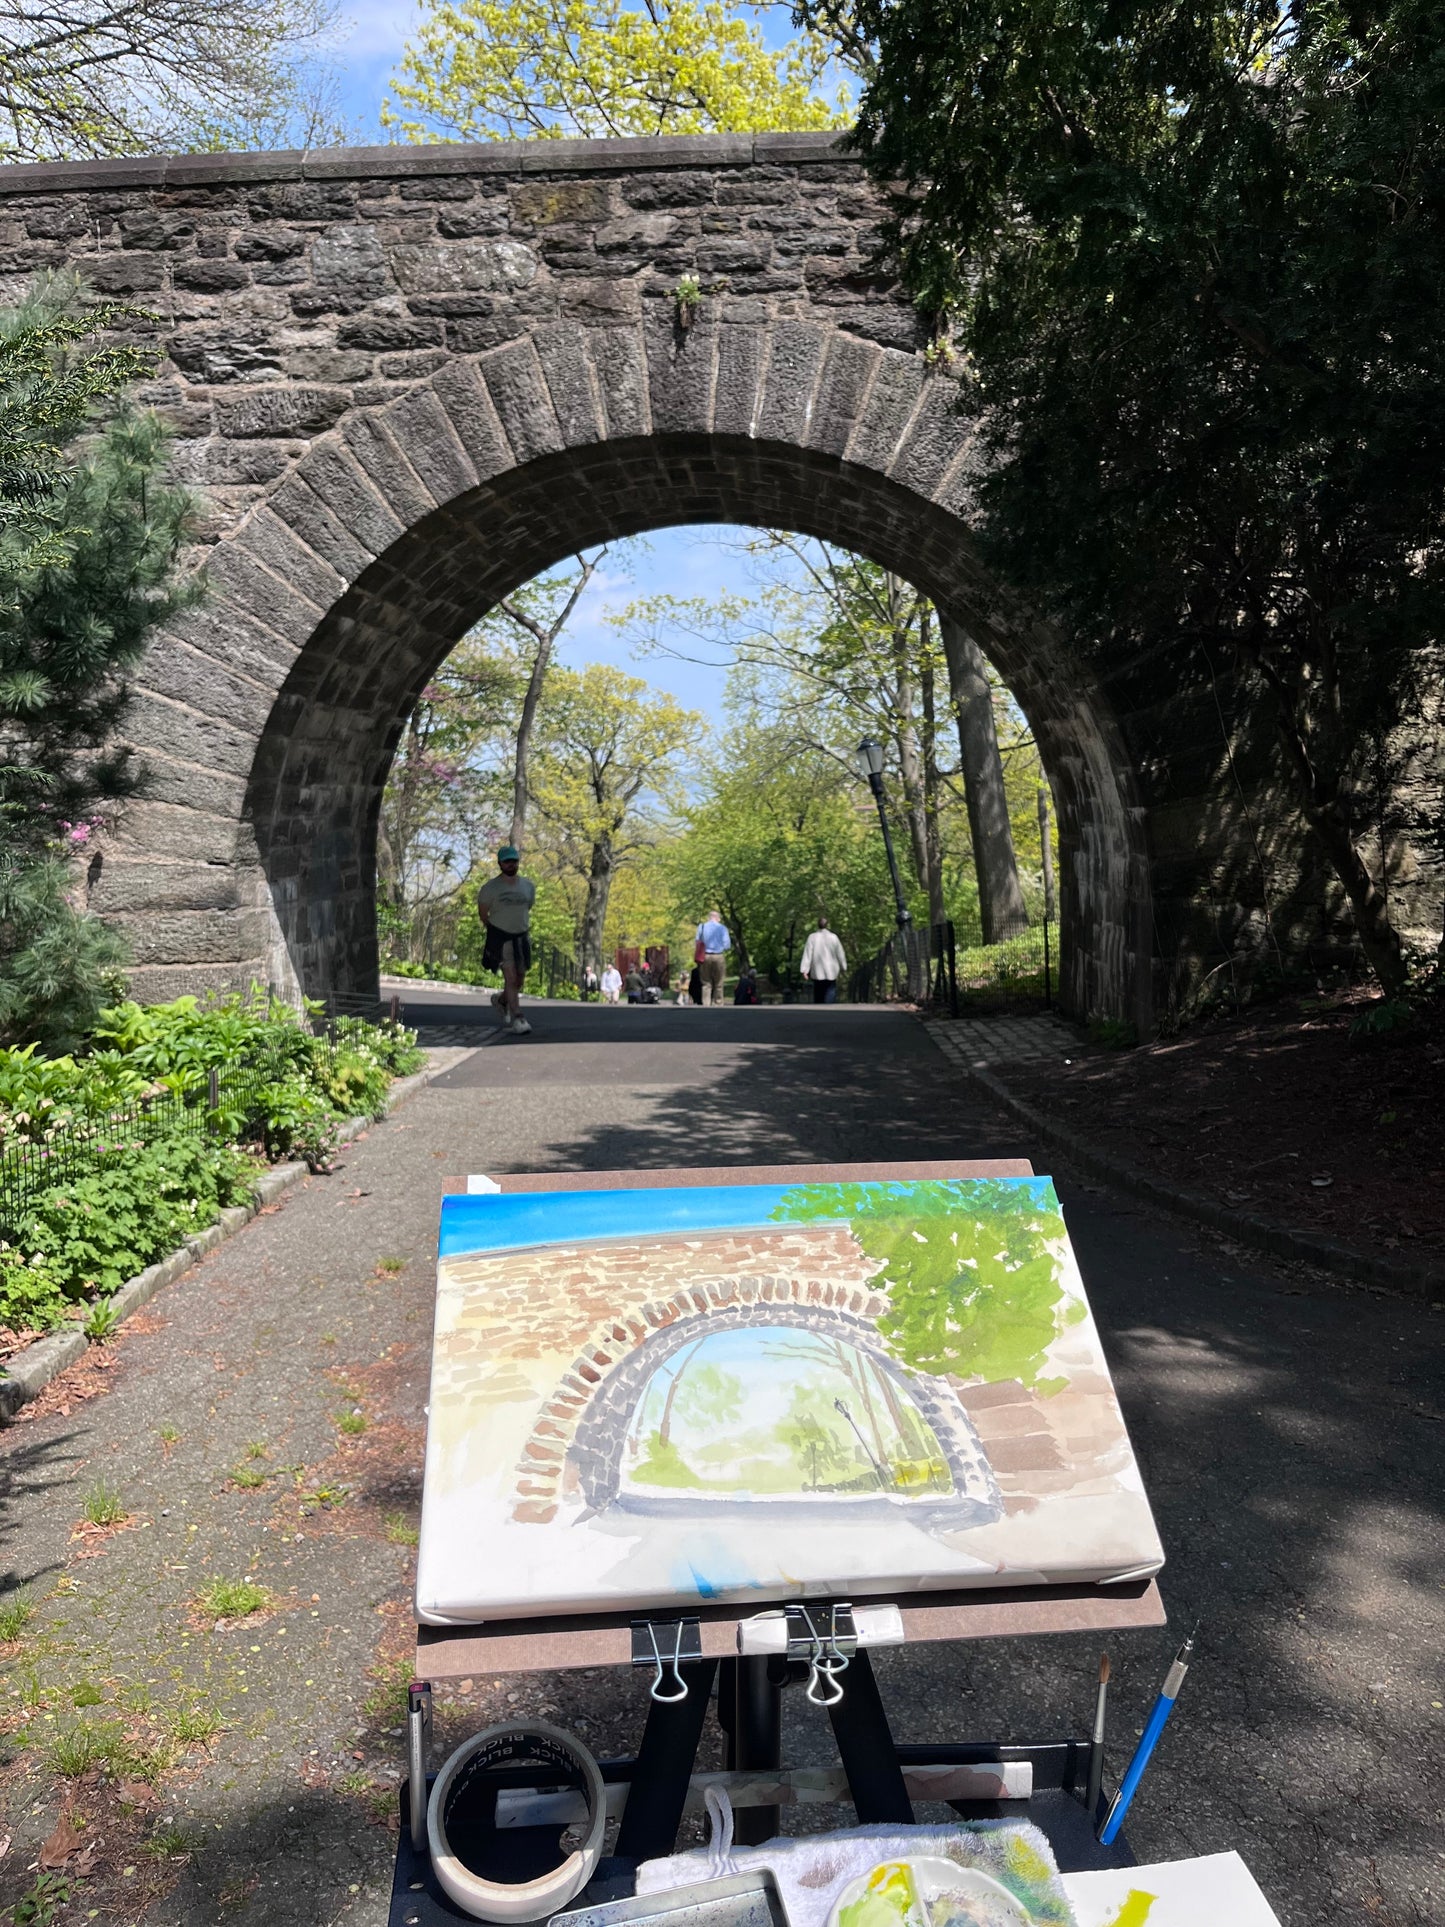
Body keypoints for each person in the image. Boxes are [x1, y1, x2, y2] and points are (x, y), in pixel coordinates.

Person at [477, 844, 536, 1035]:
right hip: (501, 936)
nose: (511, 864)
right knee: (510, 977)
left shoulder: (528, 886)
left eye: (514, 861)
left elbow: (528, 907)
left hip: (521, 935)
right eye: (507, 861)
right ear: (500, 864)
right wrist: (495, 929)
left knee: (519, 979)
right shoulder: (490, 888)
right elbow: (483, 914)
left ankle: (501, 1000)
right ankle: (518, 1017)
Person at [800, 915, 847, 1005]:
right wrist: (843, 966)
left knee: (818, 993)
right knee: (830, 991)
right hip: (831, 970)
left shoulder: (812, 937)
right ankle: (829, 1009)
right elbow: (840, 953)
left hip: (818, 970)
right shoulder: (834, 937)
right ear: (827, 925)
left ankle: (819, 1009)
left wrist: (805, 970)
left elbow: (808, 954)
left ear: (818, 925)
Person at [694, 908, 732, 1007]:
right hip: (718, 956)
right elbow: (727, 945)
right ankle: (718, 1003)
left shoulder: (702, 927)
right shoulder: (722, 928)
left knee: (706, 982)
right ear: (718, 918)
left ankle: (706, 1003)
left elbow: (697, 941)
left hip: (705, 956)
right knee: (719, 981)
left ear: (709, 918)